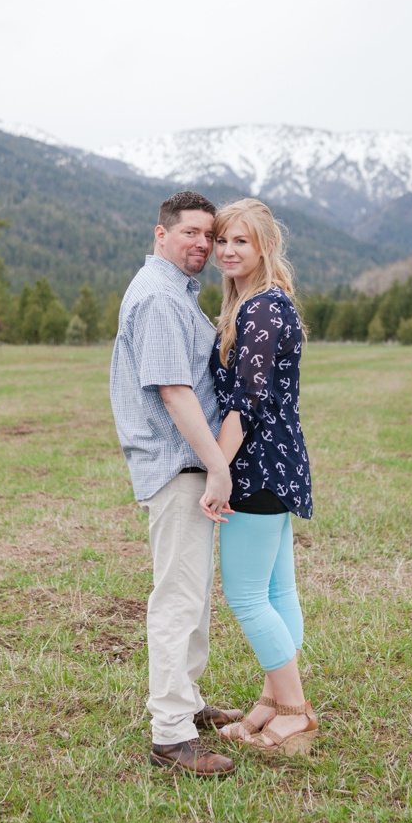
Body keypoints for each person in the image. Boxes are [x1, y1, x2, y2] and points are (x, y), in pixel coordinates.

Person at [109, 191, 244, 777]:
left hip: (186, 462)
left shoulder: (173, 293)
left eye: (208, 236)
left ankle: (185, 703)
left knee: (192, 596)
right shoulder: (161, 298)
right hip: (179, 462)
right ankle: (170, 733)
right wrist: (217, 463)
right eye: (190, 232)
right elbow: (173, 390)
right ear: (160, 234)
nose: (202, 244)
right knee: (177, 598)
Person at [205, 198, 319, 755]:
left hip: (257, 465)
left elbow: (246, 402)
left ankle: (295, 711)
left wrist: (217, 470)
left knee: (248, 596)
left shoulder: (262, 310)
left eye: (240, 242)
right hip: (278, 460)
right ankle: (272, 701)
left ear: (265, 247)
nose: (226, 250)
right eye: (222, 240)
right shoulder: (260, 304)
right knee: (277, 589)